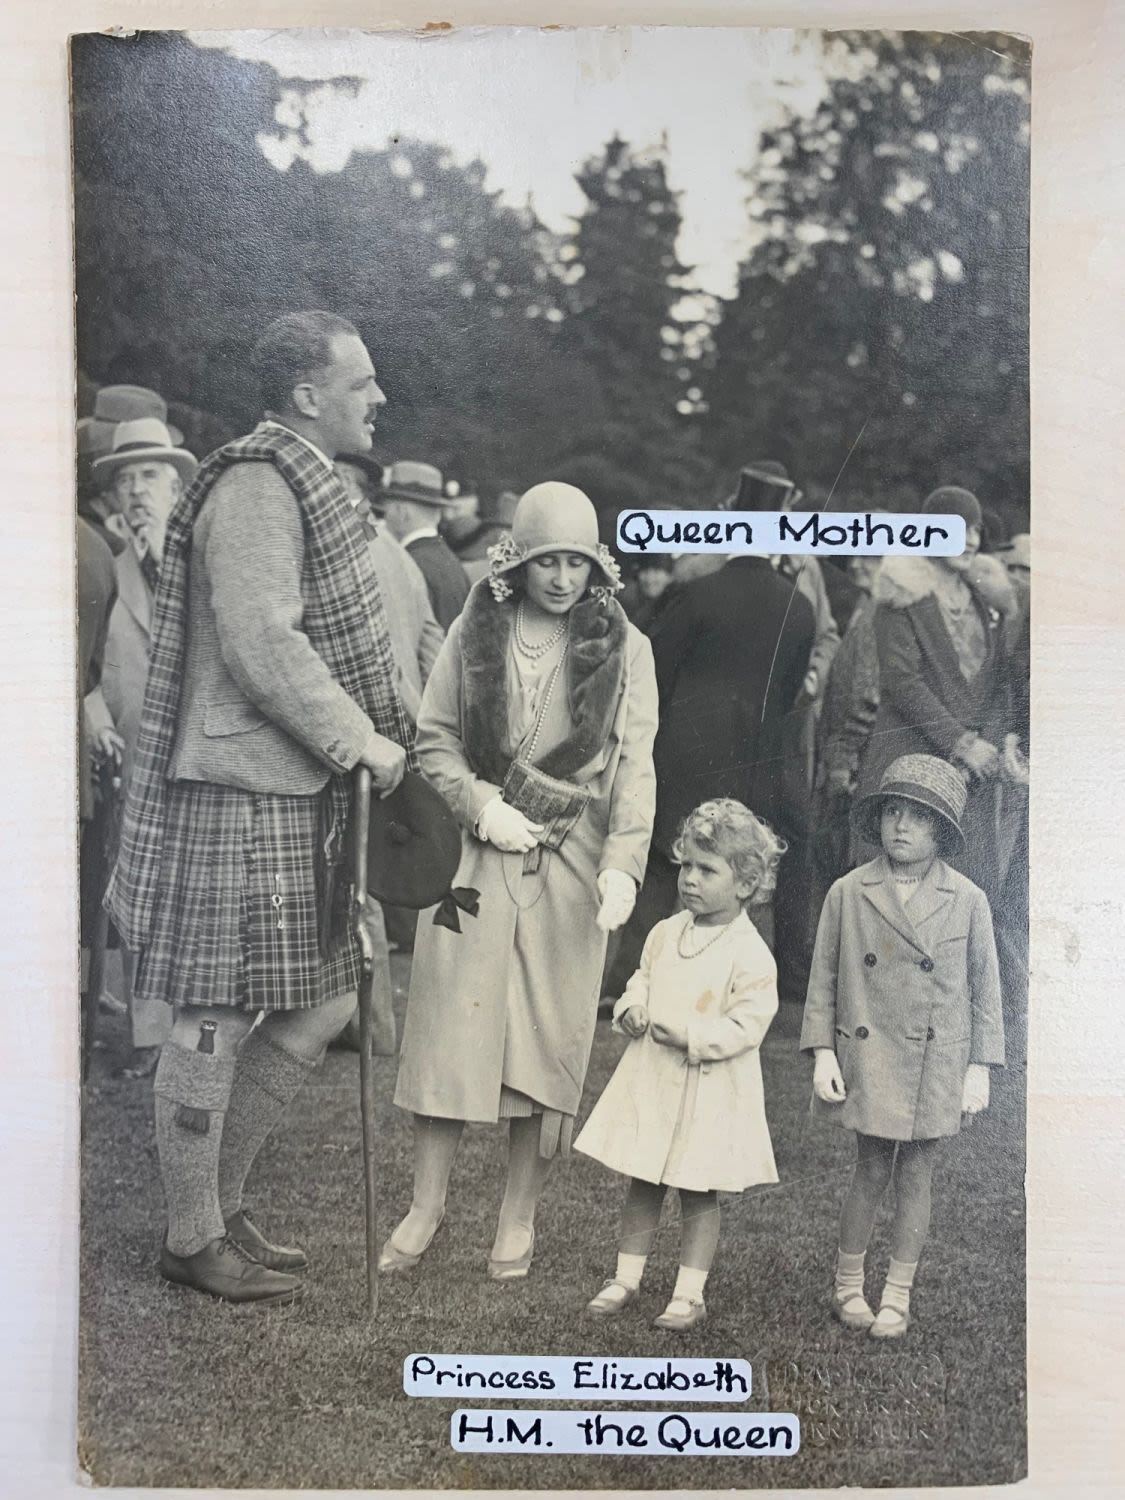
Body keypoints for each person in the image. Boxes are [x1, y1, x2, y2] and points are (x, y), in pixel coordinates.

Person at [107, 309, 416, 1305]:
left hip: (288, 790)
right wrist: (358, 739)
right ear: (305, 397)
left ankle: (219, 1207)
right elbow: (260, 643)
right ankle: (192, 1237)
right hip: (240, 786)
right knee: (210, 1010)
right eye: (361, 383)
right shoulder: (253, 484)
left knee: (324, 999)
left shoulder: (298, 482)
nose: (379, 399)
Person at [385, 481, 658, 1279]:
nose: (563, 578)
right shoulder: (477, 626)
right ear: (518, 559)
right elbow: (432, 739)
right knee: (447, 1023)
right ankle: (426, 1206)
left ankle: (517, 1216)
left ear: (597, 566)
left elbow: (635, 767)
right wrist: (479, 807)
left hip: (574, 854)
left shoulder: (626, 646)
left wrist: (623, 865)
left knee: (547, 1036)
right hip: (478, 854)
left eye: (577, 561)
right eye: (548, 560)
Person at [800, 754, 1005, 1340]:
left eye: (918, 816)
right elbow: (824, 980)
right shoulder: (848, 891)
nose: (902, 826)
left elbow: (987, 989)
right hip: (869, 1052)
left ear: (941, 831)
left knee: (917, 1173)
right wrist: (822, 1052)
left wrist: (980, 1067)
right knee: (868, 1168)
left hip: (935, 1061)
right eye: (893, 811)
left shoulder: (968, 900)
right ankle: (846, 1286)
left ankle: (897, 1293)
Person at [576, 799, 783, 1331]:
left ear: (745, 883)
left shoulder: (750, 952)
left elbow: (747, 1025)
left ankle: (689, 1292)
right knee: (644, 1178)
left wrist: (692, 1036)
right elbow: (641, 980)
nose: (690, 879)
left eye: (706, 870)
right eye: (686, 865)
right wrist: (632, 1009)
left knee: (697, 1189)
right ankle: (626, 1275)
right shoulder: (667, 932)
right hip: (655, 1079)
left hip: (709, 1086)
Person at [603, 531, 814, 995]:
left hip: (685, 749)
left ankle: (626, 981)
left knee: (664, 866)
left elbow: (654, 668)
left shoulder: (696, 595)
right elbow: (790, 690)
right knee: (730, 873)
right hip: (754, 754)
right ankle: (715, 985)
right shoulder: (798, 606)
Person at [84, 417, 199, 1075]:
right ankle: (153, 1042)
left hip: (201, 761)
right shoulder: (103, 568)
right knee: (141, 899)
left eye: (150, 476)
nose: (135, 492)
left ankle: (202, 1039)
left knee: (202, 900)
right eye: (124, 479)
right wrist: (96, 720)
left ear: (178, 487)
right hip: (131, 757)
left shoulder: (205, 566)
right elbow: (83, 667)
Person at [855, 485, 1022, 904]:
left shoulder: (986, 601)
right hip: (911, 760)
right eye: (956, 527)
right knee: (895, 902)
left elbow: (998, 683)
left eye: (976, 529)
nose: (969, 538)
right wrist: (961, 743)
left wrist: (990, 747)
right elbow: (902, 682)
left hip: (973, 780)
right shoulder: (902, 596)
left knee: (962, 902)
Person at [379, 460, 470, 629]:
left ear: (401, 513)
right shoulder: (452, 562)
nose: (384, 519)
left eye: (387, 511)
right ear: (436, 515)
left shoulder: (406, 564)